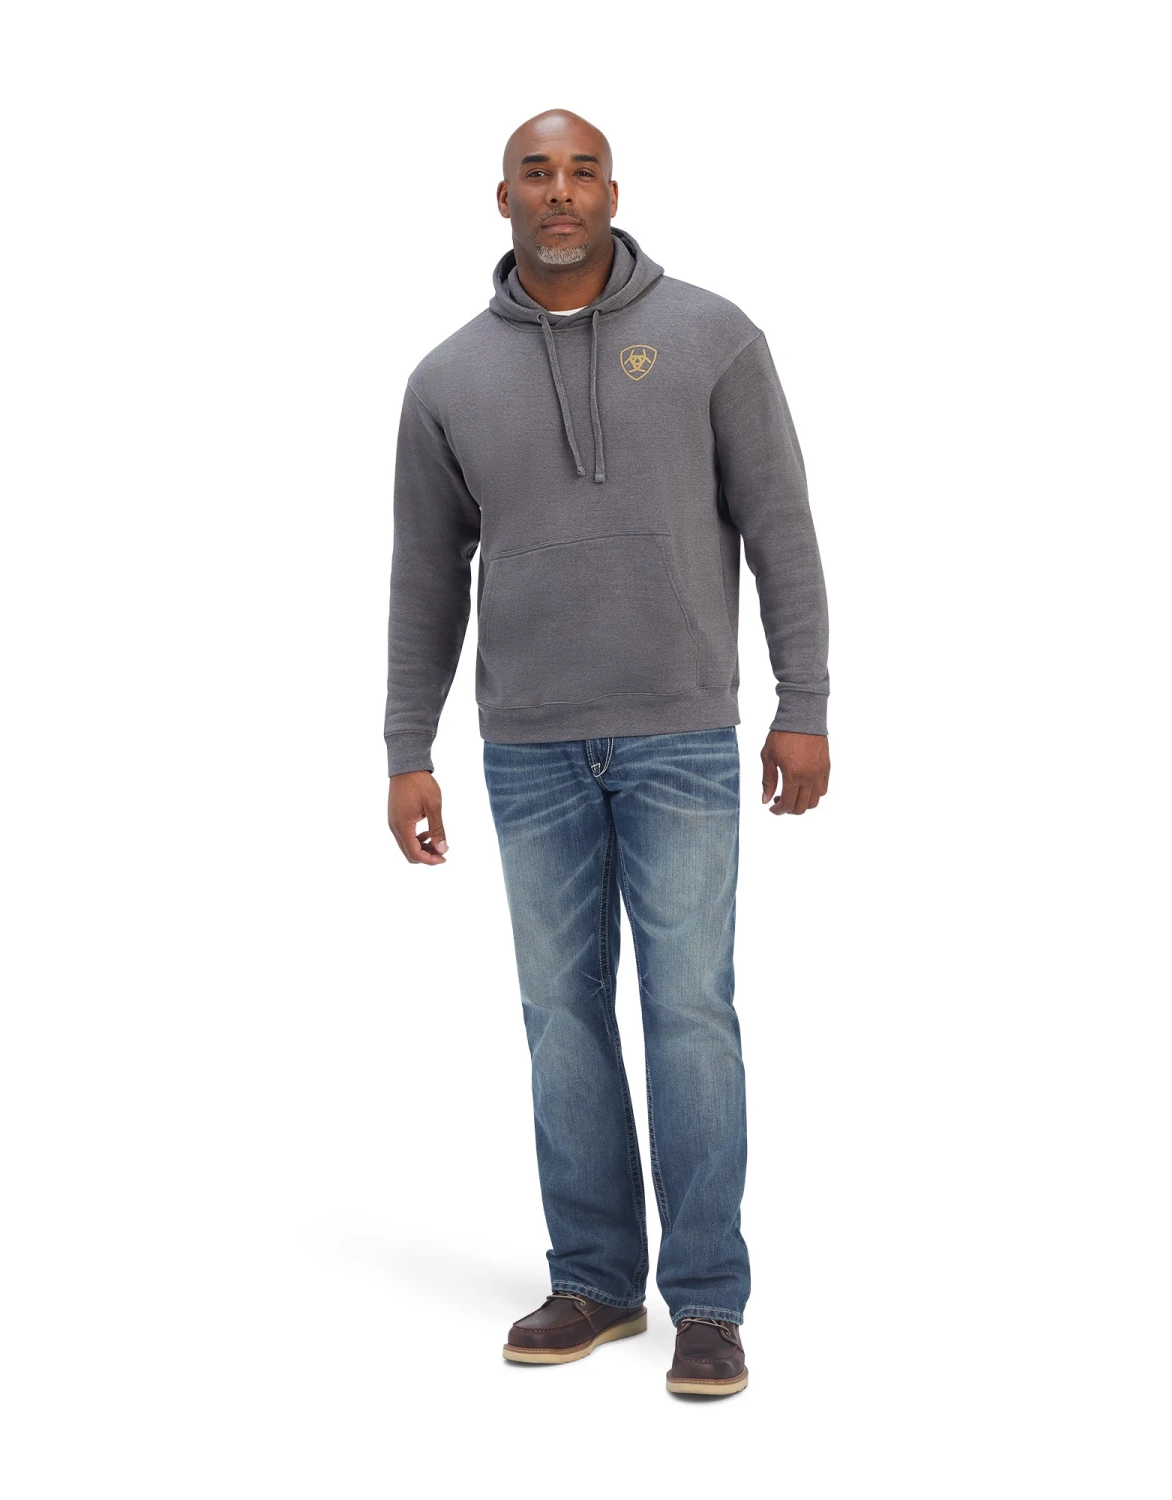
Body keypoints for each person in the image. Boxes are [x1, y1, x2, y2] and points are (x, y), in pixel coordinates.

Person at [383, 108, 830, 1398]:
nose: (560, 191)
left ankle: (708, 1301)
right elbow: (425, 579)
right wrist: (407, 746)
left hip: (683, 731)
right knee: (559, 1017)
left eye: (582, 171)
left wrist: (804, 702)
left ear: (614, 192)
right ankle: (593, 1279)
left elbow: (783, 529)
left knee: (690, 1012)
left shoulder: (711, 337)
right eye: (537, 172)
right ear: (503, 198)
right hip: (527, 746)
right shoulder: (446, 379)